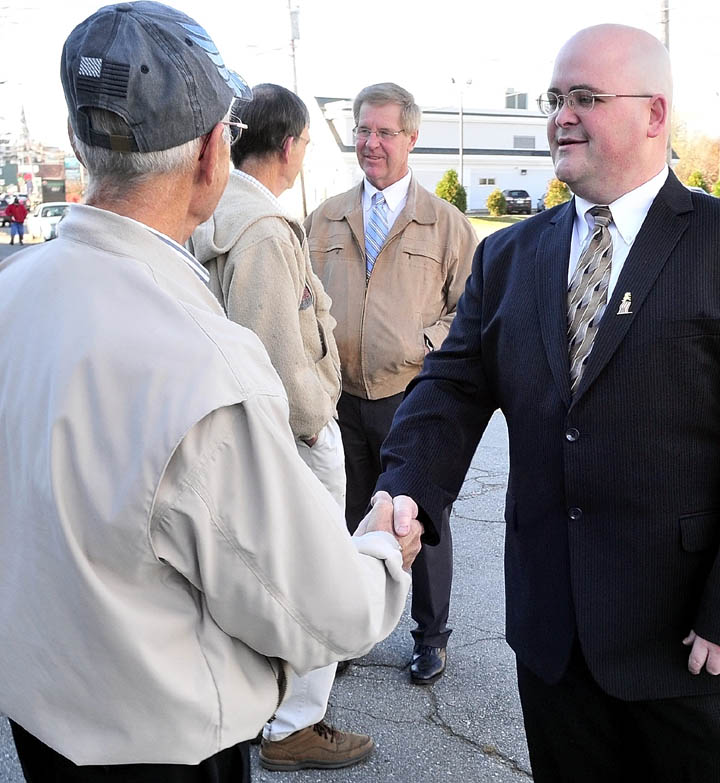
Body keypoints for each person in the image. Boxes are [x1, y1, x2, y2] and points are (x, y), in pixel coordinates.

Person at [0, 4, 422, 782]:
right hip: (157, 740)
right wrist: (383, 554)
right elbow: (316, 606)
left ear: (78, 142)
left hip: (38, 716)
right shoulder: (201, 364)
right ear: (208, 154)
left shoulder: (15, 290)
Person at [375, 24, 720, 783]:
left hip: (699, 647)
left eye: (586, 98)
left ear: (655, 114)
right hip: (556, 643)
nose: (560, 116)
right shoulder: (507, 255)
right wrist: (406, 487)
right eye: (554, 99)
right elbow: (453, 386)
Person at [190, 83, 371, 771]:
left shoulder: (219, 209)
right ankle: (294, 724)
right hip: (292, 437)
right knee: (316, 577)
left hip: (247, 434)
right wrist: (319, 423)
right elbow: (271, 351)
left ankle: (275, 711)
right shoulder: (261, 227)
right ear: (291, 144)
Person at [305, 82, 477, 685]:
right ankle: (351, 630)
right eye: (362, 130)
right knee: (344, 516)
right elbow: (300, 303)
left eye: (384, 132)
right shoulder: (323, 218)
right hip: (339, 397)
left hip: (412, 396)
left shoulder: (447, 225)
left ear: (411, 137)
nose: (371, 142)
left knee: (417, 517)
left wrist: (420, 348)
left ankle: (430, 637)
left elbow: (468, 313)